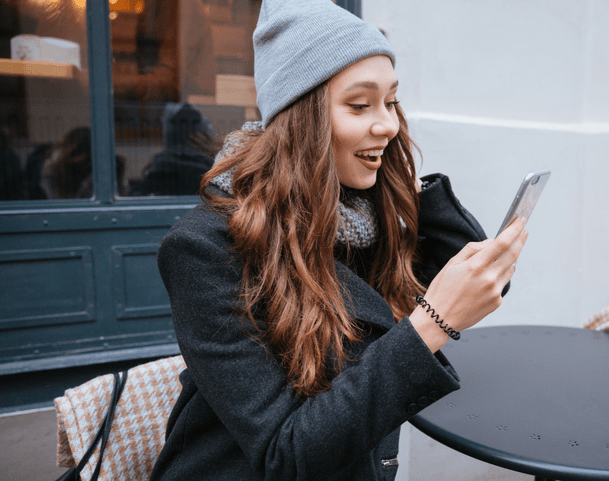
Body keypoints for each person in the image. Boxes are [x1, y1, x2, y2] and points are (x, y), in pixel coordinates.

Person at [149, 1, 528, 480]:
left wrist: (404, 184)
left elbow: (469, 282)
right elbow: (286, 455)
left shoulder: (357, 216)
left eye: (391, 101)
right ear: (300, 120)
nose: (388, 124)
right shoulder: (205, 249)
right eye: (360, 105)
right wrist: (432, 323)